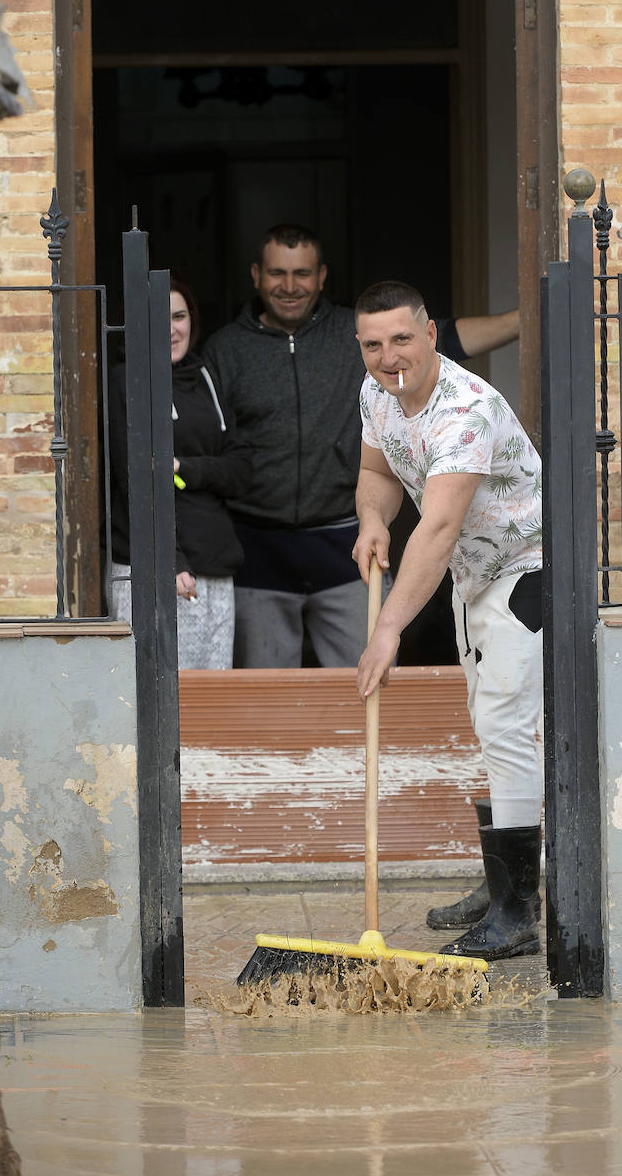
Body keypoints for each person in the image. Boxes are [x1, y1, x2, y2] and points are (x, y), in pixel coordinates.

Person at [202, 223, 520, 669]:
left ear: (323, 275)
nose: (290, 286)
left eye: (303, 273)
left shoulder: (376, 349)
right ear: (256, 274)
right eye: (278, 273)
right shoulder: (225, 349)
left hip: (342, 546)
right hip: (259, 549)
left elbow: (452, 337)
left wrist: (533, 316)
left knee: (368, 680)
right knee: (268, 700)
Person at [351, 279, 543, 963]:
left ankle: (519, 912)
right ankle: (504, 887)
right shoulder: (379, 392)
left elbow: (435, 528)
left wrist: (389, 629)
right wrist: (373, 517)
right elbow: (377, 472)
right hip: (473, 575)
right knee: (489, 723)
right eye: (373, 344)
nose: (388, 355)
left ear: (432, 334)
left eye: (401, 338)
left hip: (525, 565)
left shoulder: (466, 409)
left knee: (507, 724)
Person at [108, 276, 251, 668]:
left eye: (179, 316)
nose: (171, 329)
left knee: (211, 699)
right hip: (161, 567)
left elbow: (241, 472)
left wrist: (181, 467)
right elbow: (134, 480)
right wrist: (168, 560)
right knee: (161, 700)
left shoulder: (206, 378)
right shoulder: (127, 382)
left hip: (215, 564)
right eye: (157, 318)